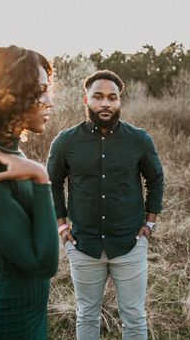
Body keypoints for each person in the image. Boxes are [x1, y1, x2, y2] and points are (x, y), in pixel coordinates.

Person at [47, 70, 164, 340]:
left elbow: (156, 179)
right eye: (98, 97)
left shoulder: (139, 140)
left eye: (113, 98)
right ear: (85, 100)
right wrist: (62, 226)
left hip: (130, 245)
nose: (106, 103)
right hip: (83, 245)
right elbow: (51, 184)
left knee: (134, 317)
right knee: (87, 314)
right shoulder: (66, 142)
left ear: (119, 102)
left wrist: (150, 223)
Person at [0, 45, 59, 340]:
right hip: (0, 321)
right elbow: (43, 264)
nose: (49, 100)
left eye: (48, 89)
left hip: (31, 316)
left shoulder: (13, 157)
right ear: (8, 94)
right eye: (39, 90)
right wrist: (41, 177)